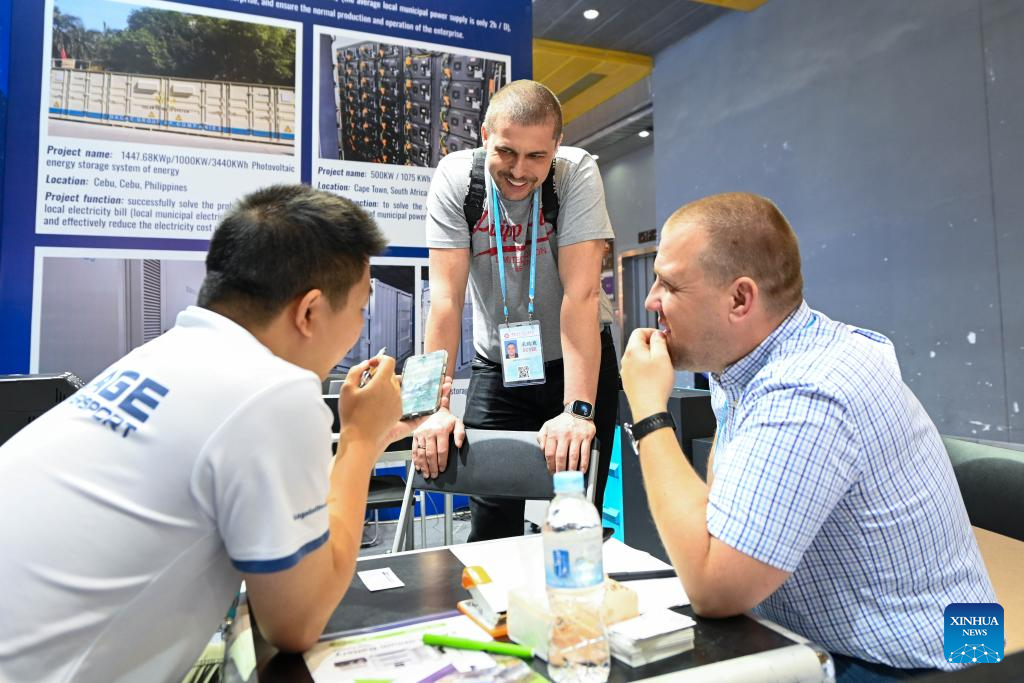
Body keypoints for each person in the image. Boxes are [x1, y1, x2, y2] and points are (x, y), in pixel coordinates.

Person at [0, 185, 424, 682]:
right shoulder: (274, 391)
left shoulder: (163, 354)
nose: (360, 326)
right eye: (360, 309)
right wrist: (360, 442)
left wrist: (363, 436)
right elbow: (296, 621)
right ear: (309, 312)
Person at [619, 192, 995, 675]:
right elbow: (720, 517)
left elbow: (714, 590)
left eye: (669, 285)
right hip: (873, 643)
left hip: (921, 665)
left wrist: (649, 411)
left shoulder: (807, 391)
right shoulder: (752, 360)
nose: (651, 301)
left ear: (740, 299)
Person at [417, 79, 619, 541]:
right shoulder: (457, 179)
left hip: (575, 365)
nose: (520, 171)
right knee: (490, 522)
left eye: (536, 156)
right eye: (506, 152)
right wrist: (433, 408)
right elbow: (445, 299)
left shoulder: (574, 174)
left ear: (557, 147)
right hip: (499, 366)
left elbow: (581, 296)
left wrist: (578, 411)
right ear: (485, 135)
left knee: (574, 515)